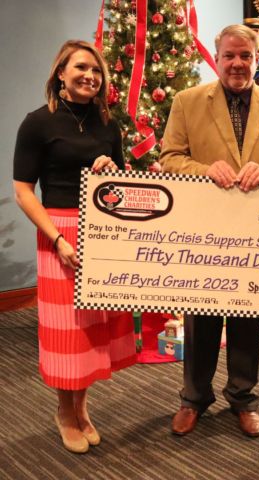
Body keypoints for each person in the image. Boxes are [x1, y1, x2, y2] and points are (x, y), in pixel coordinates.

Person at [160, 24, 259, 437]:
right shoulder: (187, 102)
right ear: (217, 58)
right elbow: (170, 158)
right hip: (203, 236)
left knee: (247, 321)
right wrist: (207, 171)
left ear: (257, 59)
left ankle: (243, 399)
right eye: (230, 56)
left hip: (257, 237)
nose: (238, 64)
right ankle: (194, 399)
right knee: (200, 319)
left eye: (246, 56)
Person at [13, 40, 136, 454]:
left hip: (100, 233)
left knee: (91, 329)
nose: (90, 76)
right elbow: (24, 192)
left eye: (97, 70)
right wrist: (58, 238)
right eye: (81, 68)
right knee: (66, 333)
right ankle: (64, 413)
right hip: (58, 232)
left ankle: (82, 410)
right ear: (61, 73)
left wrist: (112, 169)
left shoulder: (107, 123)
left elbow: (123, 185)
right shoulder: (38, 123)